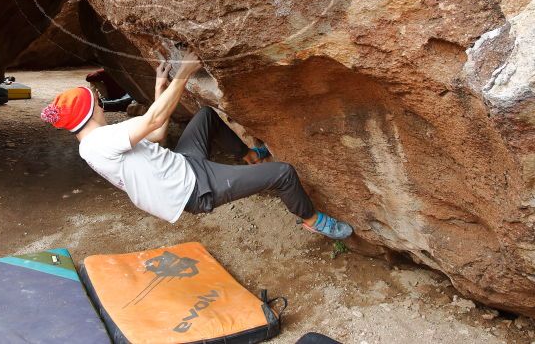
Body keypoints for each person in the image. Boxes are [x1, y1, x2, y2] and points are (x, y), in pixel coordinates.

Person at [42, 51, 352, 239]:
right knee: (283, 173)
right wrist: (185, 74)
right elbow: (151, 121)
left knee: (204, 116)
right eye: (97, 101)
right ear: (90, 111)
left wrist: (160, 85)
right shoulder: (99, 142)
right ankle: (312, 220)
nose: (100, 103)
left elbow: (156, 136)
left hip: (181, 166)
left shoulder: (94, 142)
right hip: (193, 189)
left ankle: (248, 156)